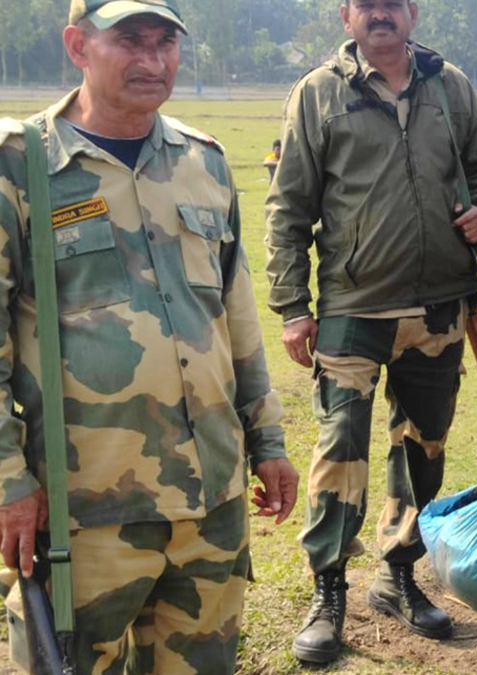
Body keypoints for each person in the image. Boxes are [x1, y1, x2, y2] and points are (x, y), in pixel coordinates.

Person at [0, 1, 299, 672]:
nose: (153, 59)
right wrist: (9, 480)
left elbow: (236, 315)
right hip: (83, 513)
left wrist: (268, 440)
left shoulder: (205, 162)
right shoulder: (19, 168)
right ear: (78, 46)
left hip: (210, 504)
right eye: (130, 40)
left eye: (166, 43)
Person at [264, 0, 477, 663]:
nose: (380, 16)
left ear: (412, 13)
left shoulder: (450, 85)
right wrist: (292, 304)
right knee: (340, 451)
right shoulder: (319, 93)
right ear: (347, 16)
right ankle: (328, 589)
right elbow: (288, 204)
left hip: (438, 309)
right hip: (351, 310)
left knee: (422, 447)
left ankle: (398, 575)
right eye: (366, 5)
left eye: (392, 5)